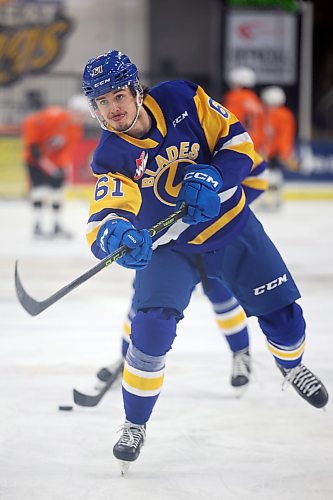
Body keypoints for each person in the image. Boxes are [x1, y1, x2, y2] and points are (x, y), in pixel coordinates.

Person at [82, 50, 328, 472]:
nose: (113, 109)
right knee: (150, 330)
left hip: (233, 231)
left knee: (286, 319)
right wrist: (117, 235)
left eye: (119, 96)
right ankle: (134, 424)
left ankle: (292, 365)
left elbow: (238, 145)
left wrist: (216, 176)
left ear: (137, 90)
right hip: (170, 250)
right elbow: (106, 214)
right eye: (102, 102)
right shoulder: (110, 155)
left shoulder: (181, 98)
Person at [96, 150, 268, 397]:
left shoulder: (209, 129)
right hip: (166, 244)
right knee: (145, 304)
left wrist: (223, 208)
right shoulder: (140, 139)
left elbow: (258, 174)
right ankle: (128, 361)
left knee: (221, 295)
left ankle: (241, 354)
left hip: (212, 237)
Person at [21, 94, 89, 238]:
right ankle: (37, 226)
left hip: (53, 162)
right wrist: (49, 167)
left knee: (57, 193)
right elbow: (34, 146)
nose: (83, 119)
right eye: (82, 114)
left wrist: (64, 170)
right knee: (39, 191)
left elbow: (66, 153)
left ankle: (57, 225)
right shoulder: (53, 116)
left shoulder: (76, 129)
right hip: (34, 159)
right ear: (74, 111)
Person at [260, 85, 299, 209]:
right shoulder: (283, 114)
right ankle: (274, 200)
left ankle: (272, 201)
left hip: (272, 151)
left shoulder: (278, 115)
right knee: (273, 174)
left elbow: (282, 135)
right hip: (273, 150)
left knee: (271, 175)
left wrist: (283, 153)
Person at [223, 66, 265, 156]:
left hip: (239, 144)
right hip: (256, 146)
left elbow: (228, 120)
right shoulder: (255, 99)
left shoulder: (234, 97)